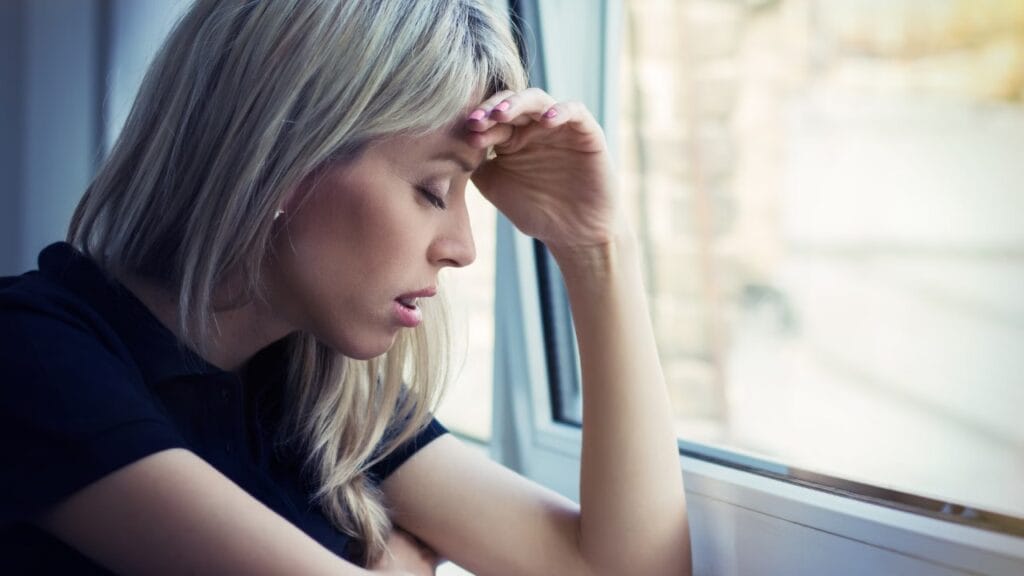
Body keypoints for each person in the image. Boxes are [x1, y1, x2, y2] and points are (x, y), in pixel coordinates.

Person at [0, 0, 691, 574]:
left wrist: (596, 247)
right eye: (434, 189)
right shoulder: (30, 356)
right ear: (283, 158)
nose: (462, 249)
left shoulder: (318, 394)